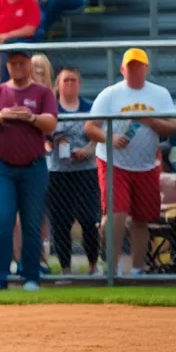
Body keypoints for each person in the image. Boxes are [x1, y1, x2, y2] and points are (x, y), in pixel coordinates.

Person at [86, 48, 176, 276]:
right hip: (113, 162)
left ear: (146, 68)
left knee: (142, 218)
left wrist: (147, 119)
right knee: (116, 214)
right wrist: (111, 138)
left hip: (146, 164)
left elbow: (172, 126)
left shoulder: (159, 94)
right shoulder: (110, 94)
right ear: (122, 69)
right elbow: (90, 127)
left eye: (139, 66)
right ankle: (111, 267)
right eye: (131, 67)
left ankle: (138, 269)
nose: (135, 70)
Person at [0, 49, 58, 291]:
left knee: (32, 223)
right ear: (7, 67)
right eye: (13, 64)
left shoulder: (42, 93)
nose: (17, 67)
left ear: (29, 66)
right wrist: (1, 116)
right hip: (2, 167)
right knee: (3, 221)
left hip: (34, 167)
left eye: (22, 63)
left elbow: (51, 123)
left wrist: (30, 118)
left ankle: (30, 276)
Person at [47, 67, 99, 275]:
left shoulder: (89, 107)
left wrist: (87, 150)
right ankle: (66, 269)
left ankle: (94, 266)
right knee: (60, 222)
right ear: (58, 84)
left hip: (85, 170)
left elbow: (98, 136)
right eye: (66, 80)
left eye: (74, 80)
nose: (69, 84)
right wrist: (54, 141)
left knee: (88, 219)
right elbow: (44, 138)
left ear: (80, 83)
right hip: (59, 172)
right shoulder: (51, 109)